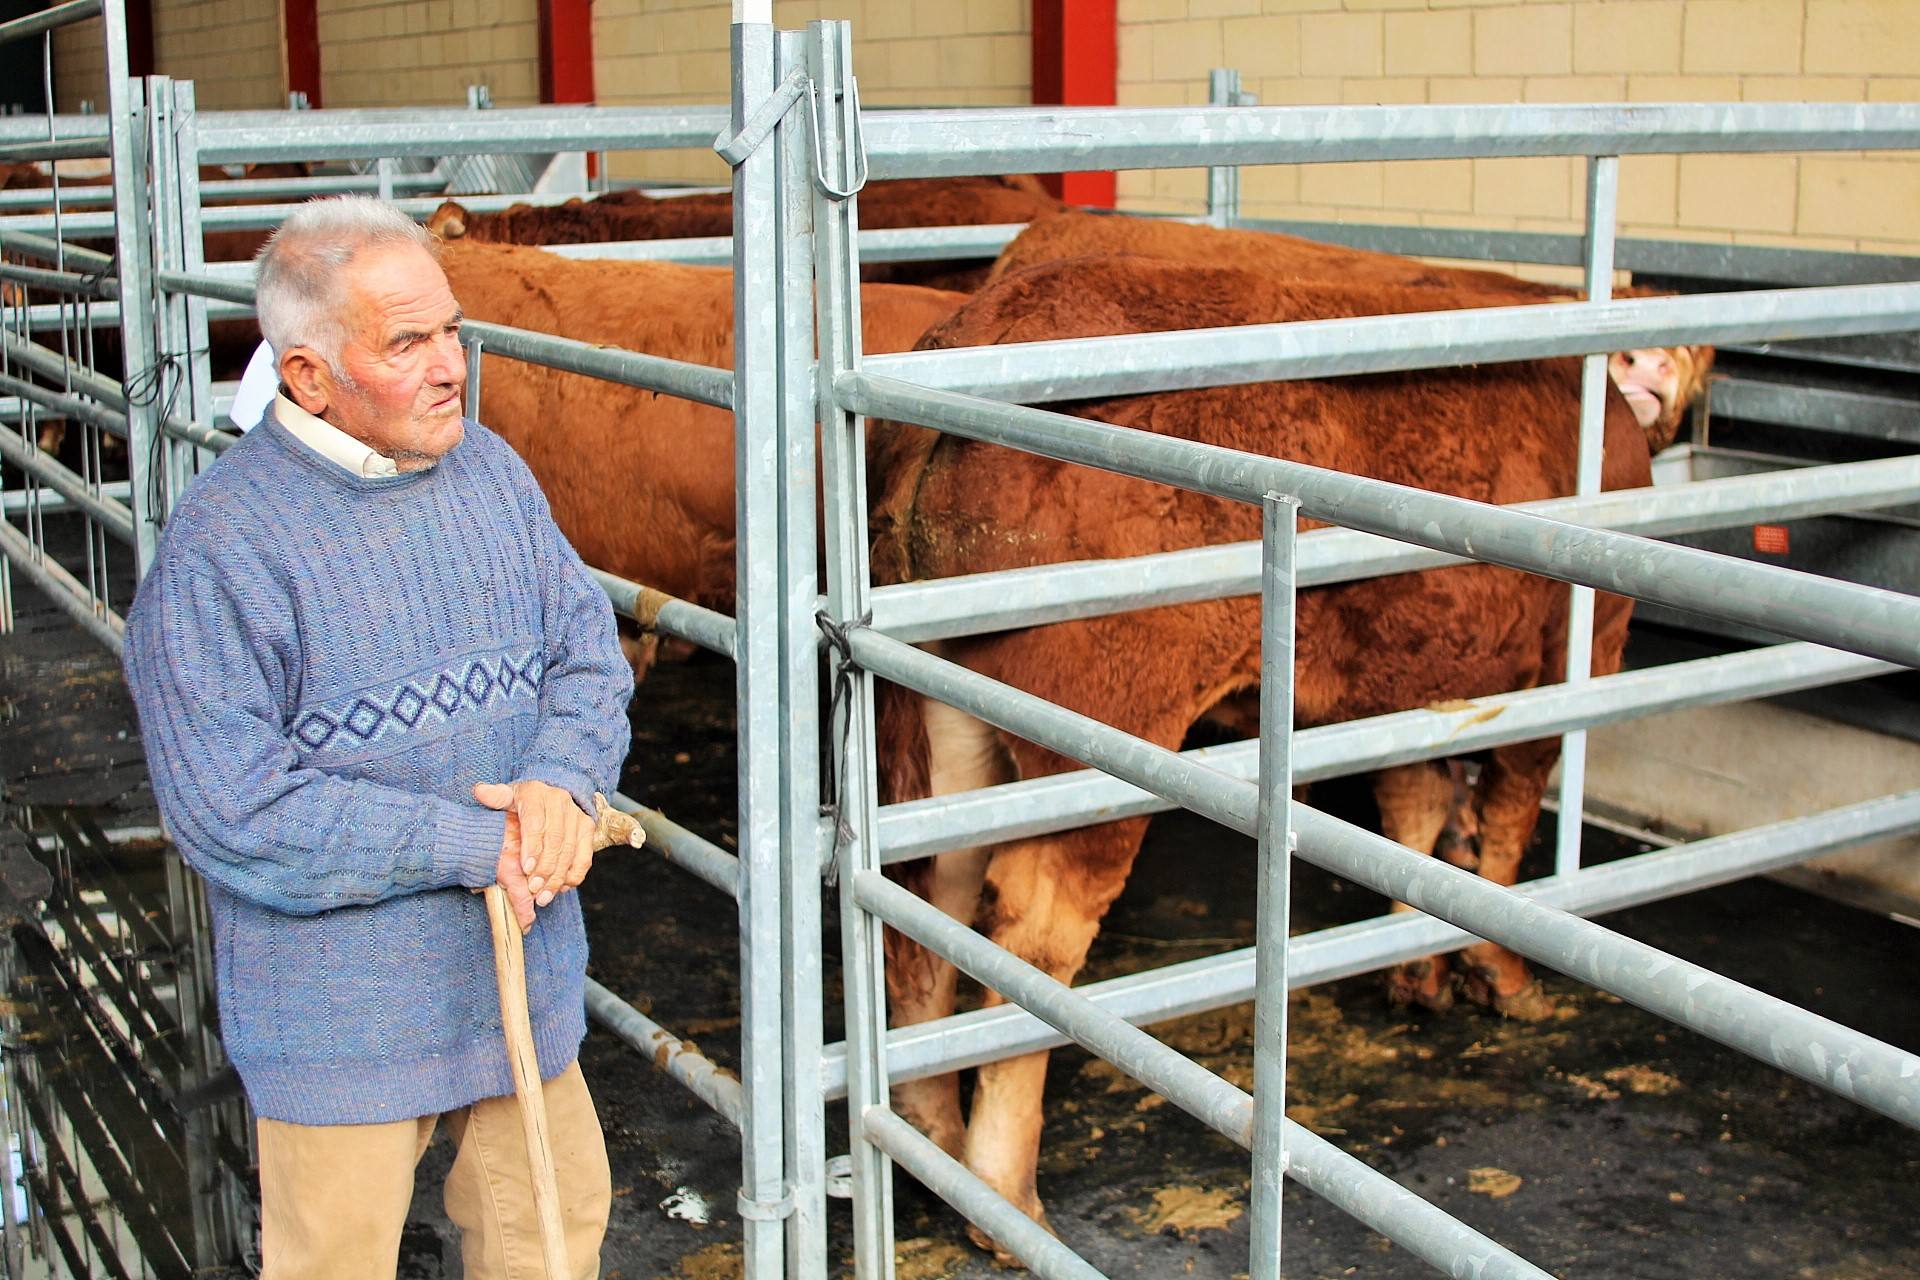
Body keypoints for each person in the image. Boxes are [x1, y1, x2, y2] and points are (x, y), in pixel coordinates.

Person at [123, 196, 633, 1279]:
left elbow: (588, 647)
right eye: (409, 343)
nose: (453, 364)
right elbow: (231, 806)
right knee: (333, 1262)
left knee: (554, 1234)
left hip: (518, 986)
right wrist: (472, 844)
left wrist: (563, 780)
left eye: (453, 331)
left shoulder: (491, 472)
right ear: (308, 376)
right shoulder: (223, 550)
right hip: (340, 1024)